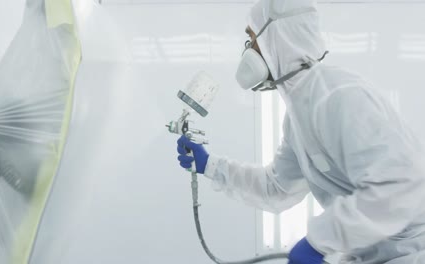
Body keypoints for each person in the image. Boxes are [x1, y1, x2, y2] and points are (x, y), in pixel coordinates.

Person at [176, 0, 425, 263]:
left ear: (278, 37)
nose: (249, 49)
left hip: (412, 251)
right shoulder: (299, 114)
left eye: (252, 38)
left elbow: (399, 185)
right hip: (372, 254)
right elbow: (277, 188)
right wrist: (211, 166)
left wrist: (318, 242)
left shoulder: (339, 96)